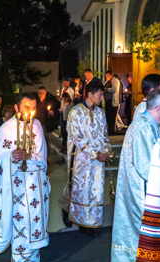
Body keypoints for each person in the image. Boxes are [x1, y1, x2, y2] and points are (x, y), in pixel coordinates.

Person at [111, 89, 160, 262]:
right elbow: (147, 168)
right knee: (139, 237)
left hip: (140, 191)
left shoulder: (149, 124)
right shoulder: (144, 127)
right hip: (141, 194)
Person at [0, 93, 50, 262]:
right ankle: (20, 259)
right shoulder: (5, 130)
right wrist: (11, 157)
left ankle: (34, 255)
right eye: (27, 108)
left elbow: (42, 155)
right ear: (16, 108)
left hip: (36, 183)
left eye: (34, 108)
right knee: (21, 221)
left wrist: (34, 159)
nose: (31, 112)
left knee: (36, 220)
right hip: (17, 187)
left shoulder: (36, 125)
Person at [60, 80, 112, 237]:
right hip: (81, 158)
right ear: (90, 94)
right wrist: (95, 154)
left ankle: (89, 221)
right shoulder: (75, 112)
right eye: (100, 94)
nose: (102, 98)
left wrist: (107, 150)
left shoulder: (101, 113)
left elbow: (104, 135)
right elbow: (76, 137)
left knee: (94, 189)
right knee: (80, 189)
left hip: (98, 159)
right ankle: (69, 210)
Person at [35, 86, 59, 157]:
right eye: (39, 93)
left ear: (45, 93)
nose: (41, 94)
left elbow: (56, 111)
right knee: (38, 142)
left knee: (47, 142)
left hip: (47, 125)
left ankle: (46, 158)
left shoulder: (50, 101)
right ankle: (39, 157)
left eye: (42, 93)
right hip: (38, 125)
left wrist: (52, 112)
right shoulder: (35, 102)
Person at [57, 79, 74, 151]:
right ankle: (64, 145)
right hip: (64, 115)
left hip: (68, 119)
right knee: (64, 131)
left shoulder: (70, 90)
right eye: (63, 83)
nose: (64, 84)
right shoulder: (63, 89)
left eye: (65, 83)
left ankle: (68, 146)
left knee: (67, 132)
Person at [104, 70, 121, 135]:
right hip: (108, 101)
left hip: (113, 101)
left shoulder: (115, 81)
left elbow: (115, 89)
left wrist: (107, 89)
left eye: (107, 76)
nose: (106, 77)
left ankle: (112, 130)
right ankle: (110, 130)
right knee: (108, 116)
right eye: (106, 76)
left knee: (112, 117)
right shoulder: (107, 81)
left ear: (111, 75)